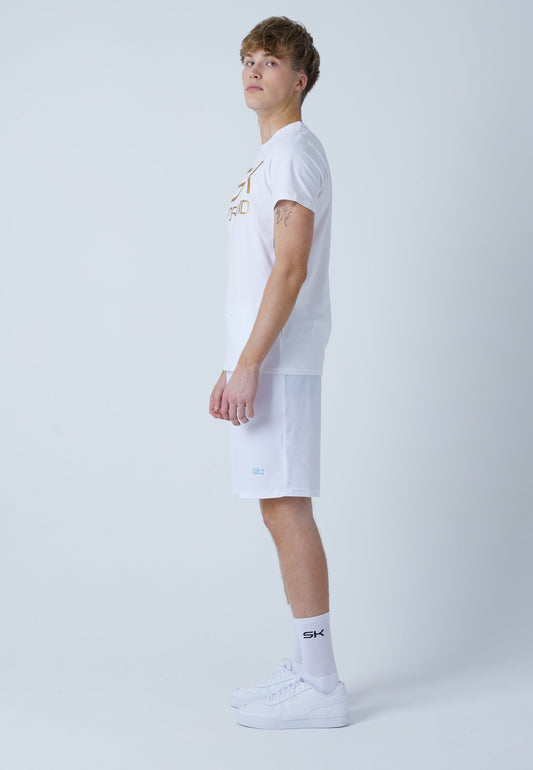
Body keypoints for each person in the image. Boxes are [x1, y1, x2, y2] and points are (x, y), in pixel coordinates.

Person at [209, 16, 349, 730]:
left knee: (287, 506)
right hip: (263, 360)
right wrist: (236, 362)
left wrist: (250, 365)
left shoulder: (294, 152)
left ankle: (321, 685)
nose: (253, 70)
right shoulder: (269, 159)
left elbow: (289, 271)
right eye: (247, 59)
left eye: (269, 61)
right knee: (276, 506)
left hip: (280, 362)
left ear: (301, 79)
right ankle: (305, 666)